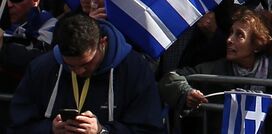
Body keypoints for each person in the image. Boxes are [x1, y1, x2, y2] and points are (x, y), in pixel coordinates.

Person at [10, 12, 164, 134]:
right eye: (70, 66)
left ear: (102, 43)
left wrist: (102, 131)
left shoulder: (135, 69)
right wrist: (50, 129)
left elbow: (149, 128)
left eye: (86, 64)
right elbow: (16, 125)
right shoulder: (43, 67)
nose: (78, 72)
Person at [159, 8, 272, 113]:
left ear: (257, 45)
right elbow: (171, 78)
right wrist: (187, 93)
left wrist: (256, 105)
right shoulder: (216, 69)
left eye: (239, 35)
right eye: (231, 33)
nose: (229, 40)